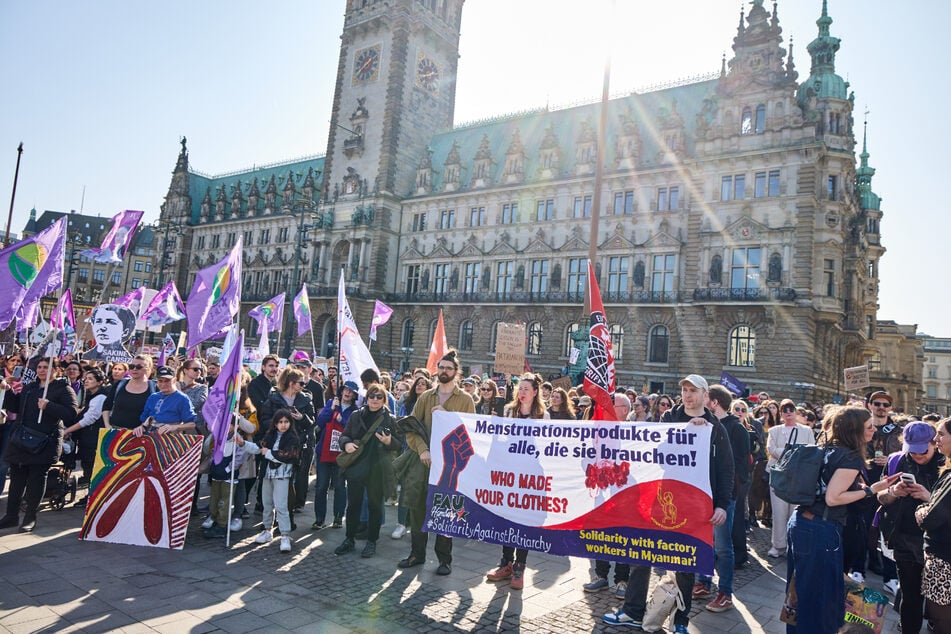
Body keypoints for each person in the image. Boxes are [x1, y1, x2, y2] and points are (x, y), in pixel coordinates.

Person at [604, 374, 733, 633]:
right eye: (684, 389)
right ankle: (632, 609)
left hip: (695, 505)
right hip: (661, 498)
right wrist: (685, 433)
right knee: (642, 552)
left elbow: (726, 469)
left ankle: (681, 620)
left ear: (705, 395)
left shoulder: (715, 428)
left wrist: (721, 504)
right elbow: (655, 455)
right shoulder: (668, 420)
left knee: (686, 562)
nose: (687, 395)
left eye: (693, 390)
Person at [785, 406, 898, 633]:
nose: (873, 430)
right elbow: (834, 497)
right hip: (820, 528)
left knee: (799, 592)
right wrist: (871, 490)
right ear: (854, 430)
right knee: (820, 599)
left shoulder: (827, 447)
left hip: (801, 522)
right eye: (868, 427)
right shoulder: (850, 457)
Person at [398, 349, 475, 575]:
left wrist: (447, 416)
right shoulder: (425, 397)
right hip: (423, 464)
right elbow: (411, 429)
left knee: (446, 513)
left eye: (448, 368)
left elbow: (469, 433)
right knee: (418, 510)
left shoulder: (465, 400)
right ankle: (417, 554)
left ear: (456, 372)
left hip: (450, 468)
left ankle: (444, 560)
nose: (444, 371)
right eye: (441, 367)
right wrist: (422, 450)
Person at [876, 421, 944, 632]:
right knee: (910, 595)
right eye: (913, 451)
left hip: (936, 545)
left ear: (934, 443)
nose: (918, 456)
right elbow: (880, 498)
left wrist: (929, 497)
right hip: (904, 538)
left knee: (937, 603)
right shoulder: (896, 460)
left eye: (923, 451)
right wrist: (894, 493)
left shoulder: (945, 464)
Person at [486, 373, 549, 590]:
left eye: (526, 389)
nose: (522, 393)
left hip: (530, 474)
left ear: (534, 392)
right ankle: (506, 562)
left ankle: (520, 565)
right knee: (507, 518)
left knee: (524, 519)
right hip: (509, 472)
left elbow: (546, 445)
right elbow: (500, 439)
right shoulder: (508, 411)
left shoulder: (543, 415)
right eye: (519, 388)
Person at [0, 359, 78, 532]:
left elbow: (71, 414)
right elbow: (16, 408)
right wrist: (10, 390)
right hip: (22, 440)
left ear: (57, 370)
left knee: (36, 479)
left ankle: (30, 517)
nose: (42, 370)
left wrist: (49, 406)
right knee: (16, 480)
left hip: (44, 442)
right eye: (40, 367)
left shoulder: (64, 389)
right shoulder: (31, 387)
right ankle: (11, 516)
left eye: (47, 367)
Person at [693, 384, 750, 612]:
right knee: (704, 542)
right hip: (702, 494)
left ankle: (725, 592)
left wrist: (725, 499)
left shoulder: (737, 429)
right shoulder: (701, 423)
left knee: (723, 547)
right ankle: (703, 582)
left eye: (705, 397)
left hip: (723, 498)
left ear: (714, 402)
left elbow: (740, 469)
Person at [334, 383, 398, 558]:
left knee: (374, 506)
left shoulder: (389, 418)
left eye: (379, 397)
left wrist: (388, 442)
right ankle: (349, 539)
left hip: (377, 468)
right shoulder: (356, 415)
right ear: (366, 398)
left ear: (384, 400)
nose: (375, 400)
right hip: (356, 466)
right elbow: (345, 435)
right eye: (372, 396)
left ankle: (371, 542)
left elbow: (398, 443)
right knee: (353, 505)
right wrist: (346, 444)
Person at [259, 367, 316, 518]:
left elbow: (312, 422)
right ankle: (268, 510)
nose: (304, 386)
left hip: (298, 444)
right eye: (301, 383)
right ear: (292, 383)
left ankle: (288, 512)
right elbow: (264, 420)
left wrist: (301, 418)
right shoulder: (274, 399)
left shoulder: (305, 399)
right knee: (274, 478)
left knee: (292, 480)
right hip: (277, 443)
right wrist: (280, 422)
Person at [766, 399, 815, 558]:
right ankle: (778, 545)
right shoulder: (774, 431)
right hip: (779, 477)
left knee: (795, 512)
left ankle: (793, 545)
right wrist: (795, 452)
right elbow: (772, 450)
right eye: (785, 410)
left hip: (799, 478)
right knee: (779, 512)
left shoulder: (806, 431)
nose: (788, 413)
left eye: (791, 409)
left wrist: (790, 451)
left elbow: (811, 451)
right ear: (781, 414)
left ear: (796, 411)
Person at [916, 416, 951, 632]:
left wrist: (921, 510)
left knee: (941, 621)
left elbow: (932, 517)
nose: (935, 438)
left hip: (944, 559)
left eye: (941, 433)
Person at [252, 409, 301, 553]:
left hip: (282, 475)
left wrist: (268, 453)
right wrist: (243, 444)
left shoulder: (292, 438)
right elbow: (259, 448)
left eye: (286, 422)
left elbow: (287, 455)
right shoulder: (270, 435)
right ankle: (267, 530)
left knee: (281, 505)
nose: (283, 425)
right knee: (267, 503)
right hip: (267, 474)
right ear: (275, 423)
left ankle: (285, 535)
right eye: (280, 422)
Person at [202, 416, 258, 538]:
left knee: (225, 500)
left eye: (229, 425)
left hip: (228, 475)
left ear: (235, 426)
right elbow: (214, 453)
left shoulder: (237, 439)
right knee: (214, 498)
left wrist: (228, 469)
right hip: (217, 473)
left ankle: (222, 525)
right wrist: (213, 464)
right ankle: (214, 518)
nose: (226, 428)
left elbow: (239, 457)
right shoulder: (219, 437)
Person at [313, 380, 358, 530]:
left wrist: (342, 420)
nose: (347, 393)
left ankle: (338, 517)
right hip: (324, 452)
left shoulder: (355, 411)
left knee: (339, 486)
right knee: (321, 486)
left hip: (341, 454)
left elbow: (354, 430)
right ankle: (319, 518)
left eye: (351, 392)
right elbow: (320, 421)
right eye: (346, 389)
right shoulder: (332, 402)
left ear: (354, 395)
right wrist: (330, 409)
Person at [63, 368, 108, 506]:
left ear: (99, 382)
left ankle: (92, 498)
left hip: (93, 438)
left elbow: (88, 419)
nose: (86, 381)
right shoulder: (92, 395)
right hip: (87, 438)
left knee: (91, 469)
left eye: (90, 379)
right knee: (87, 467)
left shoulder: (100, 397)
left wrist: (67, 431)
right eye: (86, 378)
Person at [133, 366, 197, 436]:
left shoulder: (182, 398)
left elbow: (192, 424)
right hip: (150, 437)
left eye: (167, 381)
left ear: (174, 380)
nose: (163, 384)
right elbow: (144, 420)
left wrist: (174, 427)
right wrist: (141, 428)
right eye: (160, 381)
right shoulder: (153, 397)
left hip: (170, 439)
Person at [102, 355, 156, 430]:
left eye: (139, 367)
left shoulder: (154, 388)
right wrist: (107, 425)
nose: (134, 369)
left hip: (142, 435)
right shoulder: (120, 384)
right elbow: (107, 405)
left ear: (147, 369)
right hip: (115, 432)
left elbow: (157, 413)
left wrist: (144, 427)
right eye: (131, 366)